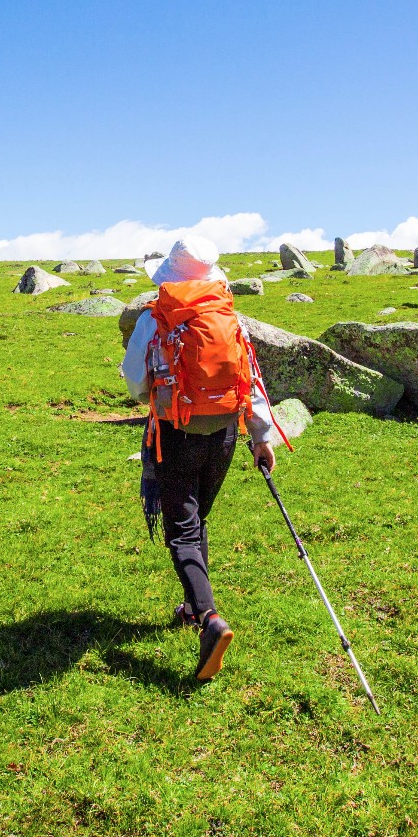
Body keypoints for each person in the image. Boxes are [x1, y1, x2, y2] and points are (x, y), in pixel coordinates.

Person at [121, 238, 283, 682]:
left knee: (183, 531)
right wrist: (262, 438)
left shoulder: (155, 318)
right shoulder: (227, 316)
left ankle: (210, 619)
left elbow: (135, 381)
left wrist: (158, 392)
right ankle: (194, 608)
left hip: (176, 432)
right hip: (227, 432)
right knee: (198, 519)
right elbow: (250, 378)